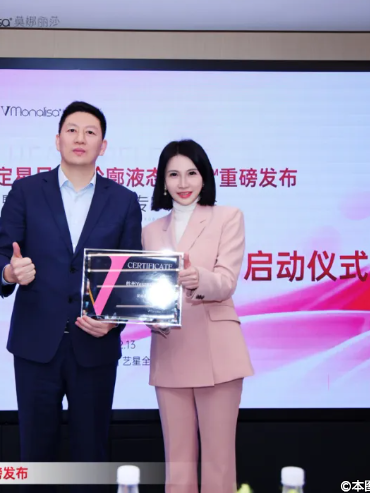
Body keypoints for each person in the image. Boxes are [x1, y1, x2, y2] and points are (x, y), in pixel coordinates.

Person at [0, 101, 143, 489]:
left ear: (103, 145)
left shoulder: (123, 200)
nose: (80, 138)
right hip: (36, 345)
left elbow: (131, 275)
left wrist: (114, 321)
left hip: (95, 346)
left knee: (91, 456)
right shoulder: (25, 191)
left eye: (90, 132)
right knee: (36, 455)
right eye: (72, 130)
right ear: (57, 140)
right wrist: (10, 272)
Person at [142, 139, 254, 493]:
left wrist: (197, 278)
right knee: (177, 467)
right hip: (170, 350)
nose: (183, 182)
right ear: (163, 181)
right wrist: (150, 315)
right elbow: (150, 290)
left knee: (219, 466)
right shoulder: (150, 231)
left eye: (191, 173)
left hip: (216, 353)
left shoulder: (228, 217)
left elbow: (226, 282)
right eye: (173, 174)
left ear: (204, 176)